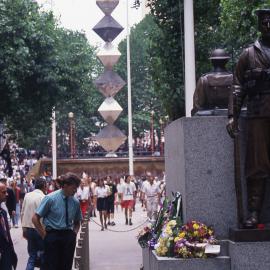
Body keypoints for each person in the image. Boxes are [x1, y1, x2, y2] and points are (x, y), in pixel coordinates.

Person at [227, 9, 270, 228]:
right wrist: (233, 114)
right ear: (260, 25)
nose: (268, 26)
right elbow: (237, 85)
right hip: (257, 114)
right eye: (265, 22)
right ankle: (253, 212)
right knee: (256, 165)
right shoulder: (249, 54)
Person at [32, 172, 82, 270]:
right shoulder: (50, 199)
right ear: (65, 186)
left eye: (76, 188)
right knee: (51, 266)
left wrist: (74, 234)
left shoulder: (75, 202)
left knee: (66, 266)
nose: (75, 191)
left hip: (68, 236)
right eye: (73, 188)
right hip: (52, 236)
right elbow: (35, 218)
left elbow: (77, 221)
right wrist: (44, 236)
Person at [192, 48, 233, 116]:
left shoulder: (204, 80)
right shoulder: (234, 78)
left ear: (212, 61)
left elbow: (197, 105)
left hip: (208, 119)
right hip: (231, 116)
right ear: (226, 61)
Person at [21, 178, 47, 270]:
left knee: (32, 255)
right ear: (44, 186)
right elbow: (45, 216)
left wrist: (23, 229)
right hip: (39, 229)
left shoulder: (27, 195)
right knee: (43, 254)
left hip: (28, 228)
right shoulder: (43, 197)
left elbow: (22, 212)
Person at [0, 182, 18, 270]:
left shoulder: (3, 213)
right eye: (3, 192)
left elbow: (7, 236)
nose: (7, 194)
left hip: (6, 257)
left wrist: (12, 254)